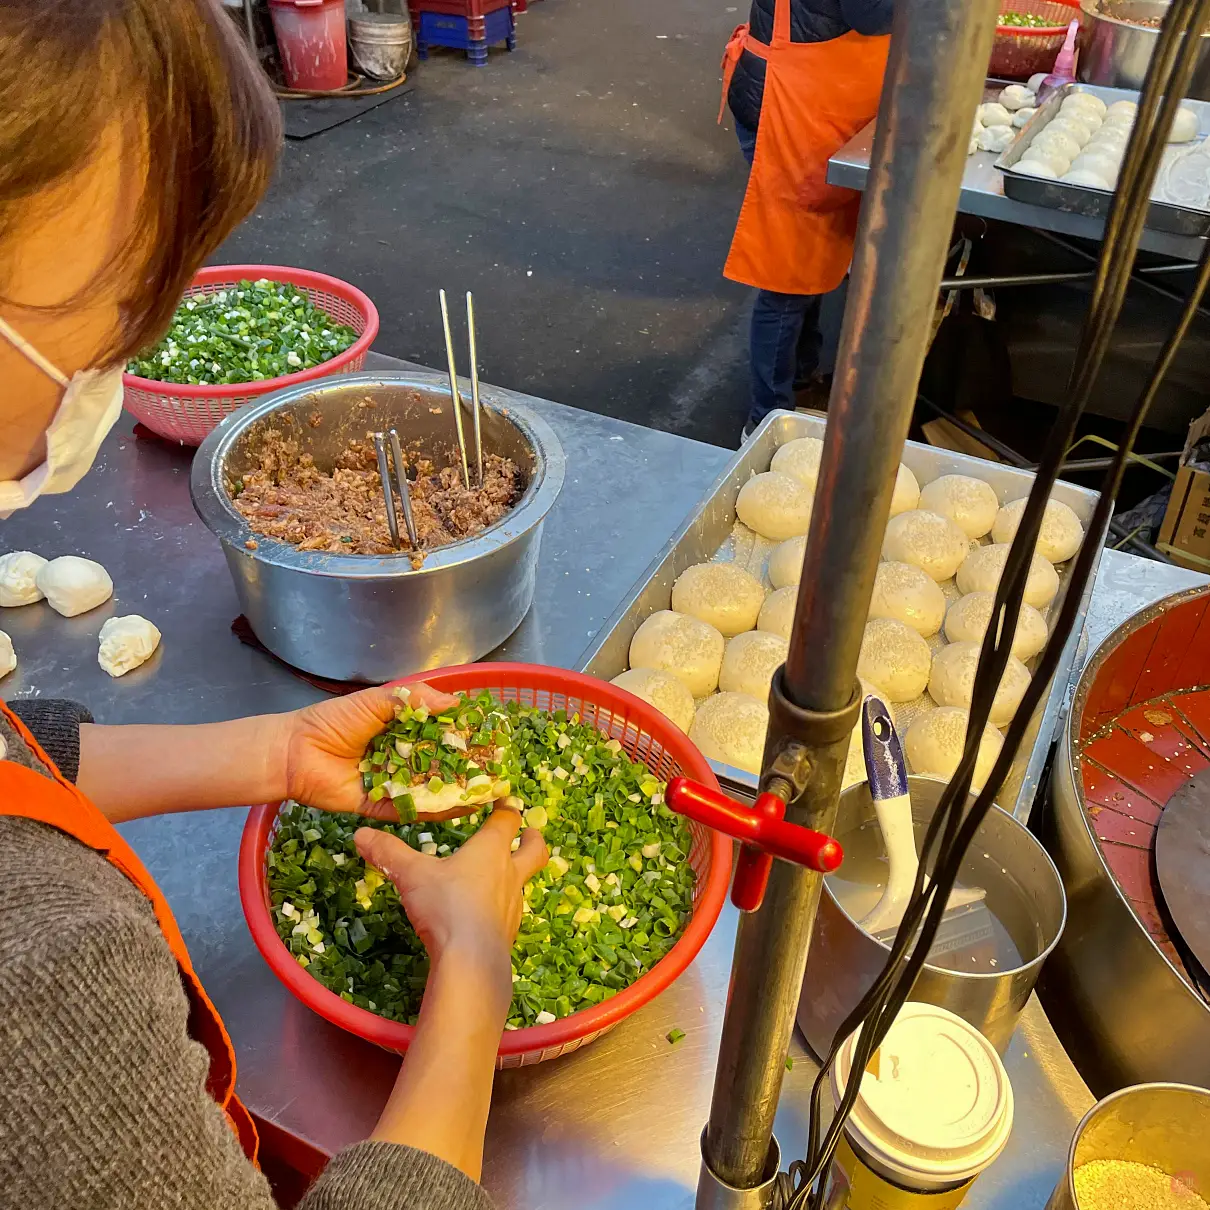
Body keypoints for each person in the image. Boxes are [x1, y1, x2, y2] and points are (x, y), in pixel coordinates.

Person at [0, 3, 546, 1207]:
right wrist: (473, 964)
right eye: (125, 306)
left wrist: (275, 753)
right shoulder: (39, 978)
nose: (128, 359)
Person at [722, 0, 895, 438]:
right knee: (789, 274)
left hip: (815, 102)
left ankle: (801, 374)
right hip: (789, 108)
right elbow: (872, 14)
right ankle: (767, 419)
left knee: (813, 253)